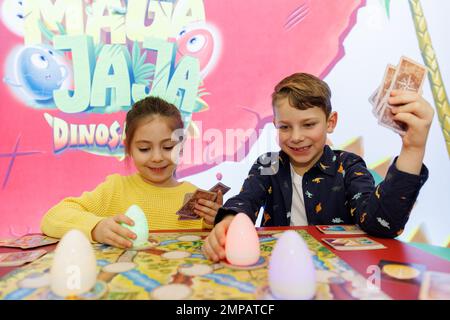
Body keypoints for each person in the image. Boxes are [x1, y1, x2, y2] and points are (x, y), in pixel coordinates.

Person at [202, 72, 433, 262]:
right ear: (275, 125)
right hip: (279, 269)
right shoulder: (268, 164)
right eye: (285, 127)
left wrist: (412, 149)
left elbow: (382, 224)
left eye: (309, 124)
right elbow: (245, 201)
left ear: (330, 122)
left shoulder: (349, 165)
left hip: (337, 273)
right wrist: (228, 221)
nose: (296, 137)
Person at [41, 96, 222, 249]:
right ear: (128, 148)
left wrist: (212, 224)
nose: (157, 157)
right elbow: (52, 217)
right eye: (144, 148)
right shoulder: (115, 189)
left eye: (168, 147)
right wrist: (96, 228)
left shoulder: (196, 200)